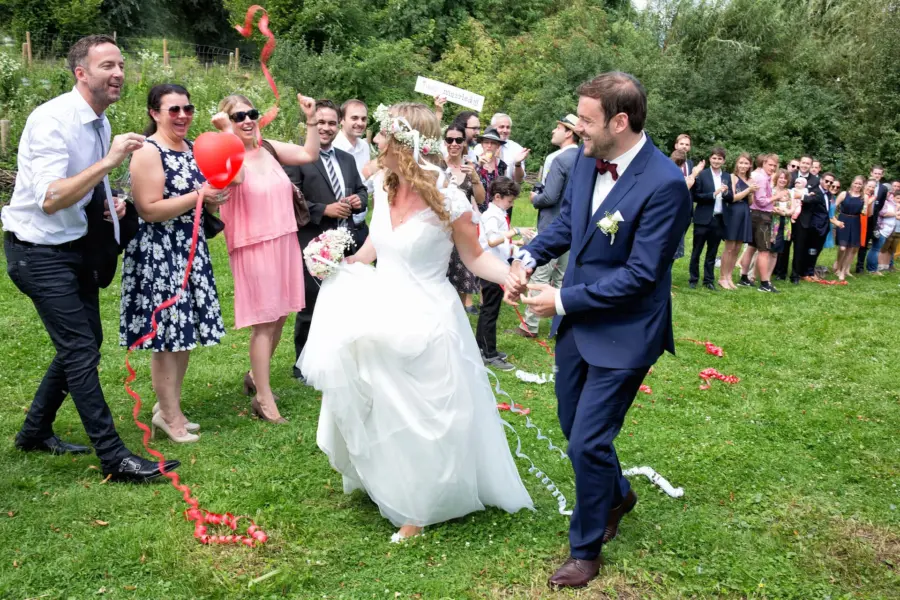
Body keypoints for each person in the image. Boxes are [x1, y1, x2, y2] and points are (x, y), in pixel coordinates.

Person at [297, 102, 533, 543]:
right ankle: (388, 479)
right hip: (381, 306)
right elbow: (376, 248)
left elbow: (475, 257)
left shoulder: (448, 196)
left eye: (384, 134)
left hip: (428, 316)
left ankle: (423, 503)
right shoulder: (383, 185)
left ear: (405, 142)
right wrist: (336, 261)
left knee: (427, 412)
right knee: (381, 402)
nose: (376, 139)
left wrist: (510, 276)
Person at [505, 72, 692, 590]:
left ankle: (584, 550)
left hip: (628, 332)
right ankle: (618, 494)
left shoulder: (665, 184)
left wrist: (560, 300)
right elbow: (570, 225)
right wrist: (528, 256)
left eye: (585, 120)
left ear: (619, 121)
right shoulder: (587, 160)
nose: (577, 128)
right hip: (579, 326)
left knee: (587, 441)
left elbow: (641, 275)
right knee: (574, 426)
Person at [1, 35, 179, 480]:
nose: (118, 73)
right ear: (81, 73)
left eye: (121, 65)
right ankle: (114, 457)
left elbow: (80, 185)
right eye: (107, 66)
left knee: (84, 341)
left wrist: (109, 198)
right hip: (37, 251)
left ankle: (34, 431)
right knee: (80, 350)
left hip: (74, 246)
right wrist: (109, 162)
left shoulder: (100, 121)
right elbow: (49, 198)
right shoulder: (52, 120)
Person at [123, 84, 227, 443]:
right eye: (174, 110)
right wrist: (199, 195)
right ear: (155, 113)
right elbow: (149, 209)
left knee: (183, 334)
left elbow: (204, 194)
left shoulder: (194, 148)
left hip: (189, 250)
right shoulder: (148, 151)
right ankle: (168, 415)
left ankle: (170, 408)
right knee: (167, 337)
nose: (183, 116)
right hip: (159, 254)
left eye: (188, 109)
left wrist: (212, 199)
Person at [210, 93, 320, 423]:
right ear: (227, 121)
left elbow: (308, 153)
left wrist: (311, 118)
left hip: (284, 238)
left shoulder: (268, 148)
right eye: (238, 116)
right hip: (253, 244)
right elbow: (237, 177)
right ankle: (264, 398)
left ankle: (255, 377)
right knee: (265, 321)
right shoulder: (221, 152)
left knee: (282, 314)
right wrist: (226, 135)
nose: (247, 120)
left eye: (251, 113)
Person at [287, 100, 369, 381]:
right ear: (310, 124)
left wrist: (359, 200)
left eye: (331, 123)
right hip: (313, 242)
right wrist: (324, 210)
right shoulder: (297, 157)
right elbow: (291, 199)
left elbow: (361, 189)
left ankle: (341, 357)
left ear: (339, 125)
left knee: (344, 301)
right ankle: (303, 364)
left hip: (347, 240)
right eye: (320, 122)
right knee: (312, 304)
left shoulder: (346, 158)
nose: (326, 128)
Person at [515, 114, 580, 337]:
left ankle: (529, 325)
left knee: (540, 276)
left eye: (558, 127)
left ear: (569, 132)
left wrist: (535, 198)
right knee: (562, 277)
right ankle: (558, 326)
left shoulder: (560, 159)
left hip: (553, 227)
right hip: (575, 227)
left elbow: (550, 196)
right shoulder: (586, 158)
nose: (553, 131)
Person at [476, 177, 528, 370]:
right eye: (509, 201)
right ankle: (489, 354)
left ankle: (481, 347)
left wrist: (516, 243)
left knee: (488, 310)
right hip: (491, 268)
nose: (511, 204)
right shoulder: (492, 216)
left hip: (495, 265)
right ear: (497, 197)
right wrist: (515, 231)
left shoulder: (498, 214)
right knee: (490, 312)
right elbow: (492, 241)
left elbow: (500, 242)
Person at [444, 119, 485, 315]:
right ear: (444, 142)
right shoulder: (437, 166)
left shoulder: (470, 167)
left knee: (461, 282)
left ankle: (457, 319)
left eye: (458, 140)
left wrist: (476, 179)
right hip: (441, 232)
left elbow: (481, 199)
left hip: (462, 234)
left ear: (464, 143)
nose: (454, 144)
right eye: (449, 140)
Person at [689, 147, 732, 291]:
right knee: (697, 250)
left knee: (712, 252)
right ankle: (693, 279)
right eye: (714, 158)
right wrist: (713, 194)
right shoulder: (702, 175)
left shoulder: (727, 176)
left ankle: (708, 280)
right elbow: (696, 196)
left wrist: (726, 193)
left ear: (723, 161)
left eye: (720, 158)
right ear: (710, 159)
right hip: (703, 219)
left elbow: (730, 197)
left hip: (719, 219)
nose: (716, 161)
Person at [333, 99, 373, 247]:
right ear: (341, 120)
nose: (360, 123)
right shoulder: (333, 147)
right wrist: (367, 173)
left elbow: (367, 187)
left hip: (361, 225)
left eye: (363, 119)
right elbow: (337, 188)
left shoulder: (364, 146)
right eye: (354, 118)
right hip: (339, 227)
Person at [738, 154, 779, 292]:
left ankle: (744, 278)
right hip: (761, 216)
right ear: (764, 163)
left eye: (774, 166)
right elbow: (761, 201)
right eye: (770, 165)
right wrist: (776, 197)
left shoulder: (760, 176)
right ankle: (764, 283)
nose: (772, 168)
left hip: (755, 214)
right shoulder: (761, 178)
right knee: (764, 250)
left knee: (751, 247)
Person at [719, 152, 756, 289]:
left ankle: (729, 276)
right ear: (737, 164)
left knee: (737, 247)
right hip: (733, 212)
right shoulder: (732, 177)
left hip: (745, 212)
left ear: (750, 165)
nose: (743, 166)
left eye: (746, 163)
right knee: (729, 247)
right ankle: (722, 277)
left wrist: (751, 193)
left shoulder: (751, 180)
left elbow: (750, 202)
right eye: (741, 163)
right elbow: (733, 197)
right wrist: (748, 190)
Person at [792, 171, 836, 282]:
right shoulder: (815, 191)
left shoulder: (828, 194)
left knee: (815, 251)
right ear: (821, 180)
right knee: (809, 250)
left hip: (823, 227)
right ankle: (804, 273)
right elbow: (811, 199)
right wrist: (800, 196)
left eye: (831, 182)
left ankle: (810, 272)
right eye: (826, 181)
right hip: (813, 227)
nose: (828, 184)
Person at [474, 113, 529, 184]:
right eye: (501, 127)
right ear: (493, 128)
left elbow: (519, 180)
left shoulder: (517, 149)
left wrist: (518, 164)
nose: (505, 130)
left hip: (507, 189)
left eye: (508, 127)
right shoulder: (479, 148)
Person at [833, 176, 866, 281]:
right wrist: (834, 219)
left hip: (855, 222)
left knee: (850, 248)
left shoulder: (863, 197)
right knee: (842, 247)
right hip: (843, 220)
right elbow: (833, 207)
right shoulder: (844, 194)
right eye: (856, 183)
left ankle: (843, 271)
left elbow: (865, 212)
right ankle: (838, 265)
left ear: (862, 185)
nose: (857, 185)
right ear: (852, 183)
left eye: (860, 184)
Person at [858, 165, 889, 273]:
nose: (877, 175)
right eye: (875, 173)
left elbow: (880, 205)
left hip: (872, 218)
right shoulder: (863, 184)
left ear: (882, 175)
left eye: (879, 174)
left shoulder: (883, 189)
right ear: (871, 173)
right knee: (854, 242)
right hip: (859, 216)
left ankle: (860, 267)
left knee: (865, 243)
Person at [474, 127, 510, 212]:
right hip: (477, 209)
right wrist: (478, 166)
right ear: (482, 144)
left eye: (493, 143)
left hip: (496, 210)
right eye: (486, 142)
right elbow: (469, 187)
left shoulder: (502, 165)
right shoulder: (474, 161)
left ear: (498, 146)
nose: (489, 146)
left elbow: (505, 191)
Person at [872, 185, 897, 274]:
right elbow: (883, 213)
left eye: (890, 192)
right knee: (877, 249)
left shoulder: (890, 201)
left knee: (884, 248)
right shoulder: (882, 201)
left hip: (889, 229)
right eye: (888, 192)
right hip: (881, 228)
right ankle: (873, 268)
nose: (889, 194)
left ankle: (884, 266)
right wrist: (896, 214)